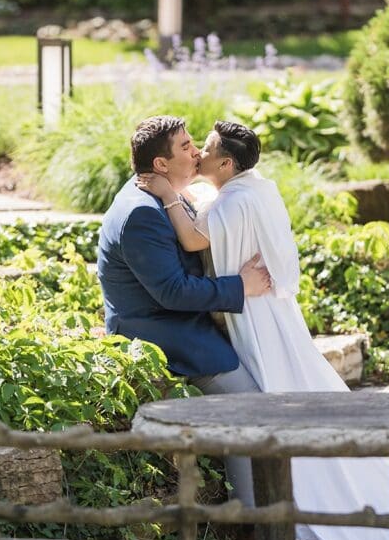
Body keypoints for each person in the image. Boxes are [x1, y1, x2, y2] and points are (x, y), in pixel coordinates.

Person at [138, 120, 389, 540]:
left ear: (227, 163)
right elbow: (215, 206)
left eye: (205, 150)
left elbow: (195, 238)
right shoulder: (253, 189)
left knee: (278, 391)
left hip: (255, 314)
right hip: (269, 307)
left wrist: (168, 195)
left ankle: (314, 500)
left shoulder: (234, 202)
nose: (197, 155)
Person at [97, 115, 270, 508]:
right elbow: (173, 293)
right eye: (187, 147)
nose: (196, 152)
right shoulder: (140, 212)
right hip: (165, 337)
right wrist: (241, 286)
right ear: (161, 165)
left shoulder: (163, 198)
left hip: (179, 325)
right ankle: (252, 524)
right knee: (252, 410)